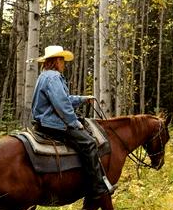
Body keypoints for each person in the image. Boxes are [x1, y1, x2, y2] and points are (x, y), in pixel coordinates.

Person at [31, 45, 114, 199]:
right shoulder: (54, 77)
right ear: (56, 60)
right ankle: (97, 188)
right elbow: (62, 106)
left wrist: (83, 99)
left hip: (43, 122)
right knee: (89, 143)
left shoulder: (44, 76)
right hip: (51, 123)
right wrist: (74, 123)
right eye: (62, 60)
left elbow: (64, 99)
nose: (64, 64)